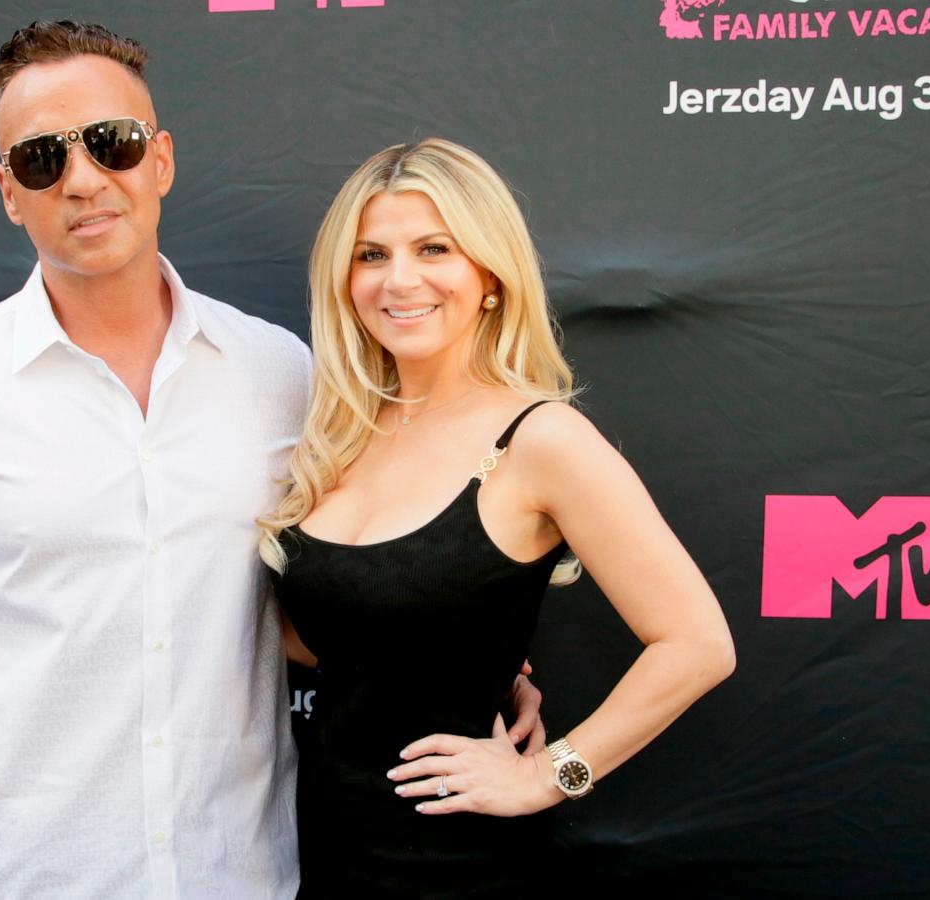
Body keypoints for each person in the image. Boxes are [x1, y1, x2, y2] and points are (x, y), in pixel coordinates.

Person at [0, 23, 546, 899]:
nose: (83, 180)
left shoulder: (281, 374)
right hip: (20, 879)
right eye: (43, 160)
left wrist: (460, 664)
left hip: (242, 875)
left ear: (158, 161)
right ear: (10, 192)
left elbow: (366, 567)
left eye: (110, 144)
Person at [260, 138, 736, 897]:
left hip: (460, 870)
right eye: (372, 254)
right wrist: (465, 653)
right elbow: (328, 629)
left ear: (489, 274)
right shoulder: (336, 431)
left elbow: (698, 645)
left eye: (433, 248)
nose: (400, 279)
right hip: (317, 849)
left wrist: (551, 775)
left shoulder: (542, 439)